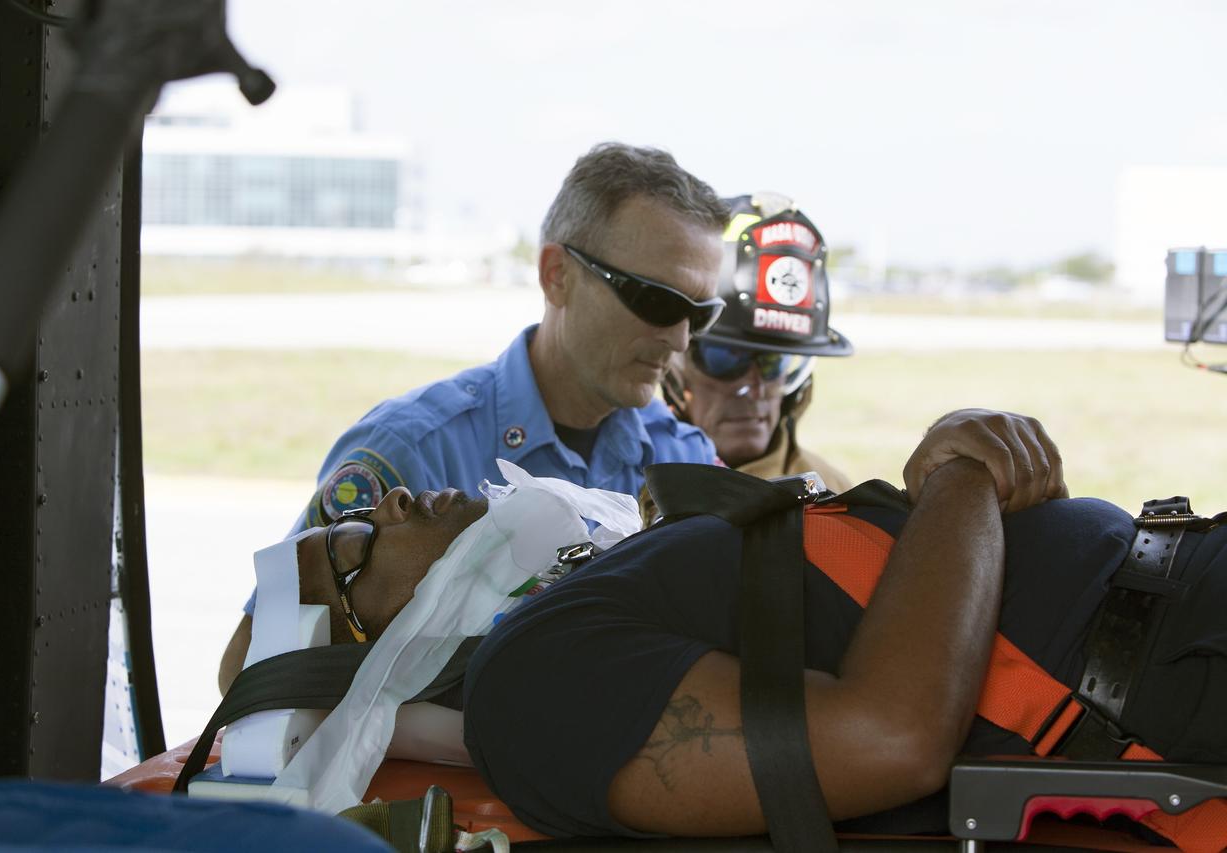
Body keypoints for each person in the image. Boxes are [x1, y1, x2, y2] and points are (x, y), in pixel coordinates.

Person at [264, 409, 1224, 844]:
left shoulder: (590, 583)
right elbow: (886, 735)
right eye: (350, 548)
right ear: (367, 650)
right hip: (1181, 660)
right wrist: (964, 476)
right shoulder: (531, 683)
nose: (384, 504)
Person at [221, 142, 728, 690]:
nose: (679, 339)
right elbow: (250, 674)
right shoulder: (412, 452)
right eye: (655, 301)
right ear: (557, 275)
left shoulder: (684, 461)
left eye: (700, 313)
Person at [656, 193, 855, 510]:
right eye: (726, 359)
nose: (754, 389)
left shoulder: (837, 497)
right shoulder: (622, 485)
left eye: (773, 362)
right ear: (674, 366)